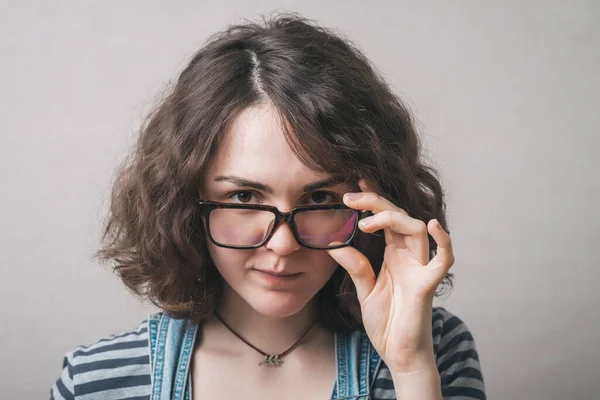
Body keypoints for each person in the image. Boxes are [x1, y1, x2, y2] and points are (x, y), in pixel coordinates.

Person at [50, 13, 486, 400]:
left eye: (319, 199)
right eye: (245, 198)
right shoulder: (94, 382)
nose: (282, 246)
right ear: (185, 205)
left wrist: (411, 368)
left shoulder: (435, 349)